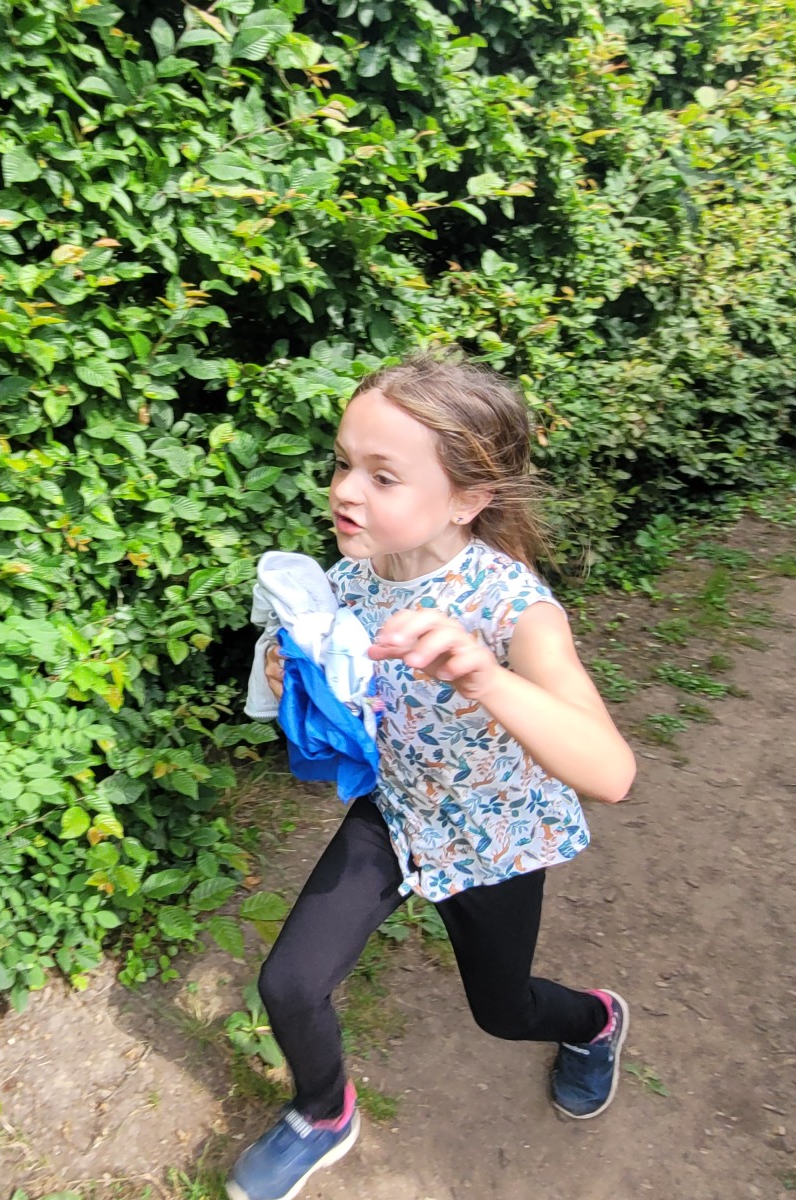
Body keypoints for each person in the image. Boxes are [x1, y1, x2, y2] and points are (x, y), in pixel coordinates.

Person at [225, 353, 637, 1200]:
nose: (345, 490)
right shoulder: (347, 578)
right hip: (396, 810)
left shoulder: (515, 606)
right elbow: (334, 692)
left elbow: (611, 771)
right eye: (344, 462)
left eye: (383, 476)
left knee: (503, 1011)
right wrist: (288, 672)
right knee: (289, 983)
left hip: (495, 835)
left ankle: (596, 1021)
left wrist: (484, 676)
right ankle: (323, 1112)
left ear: (466, 500)